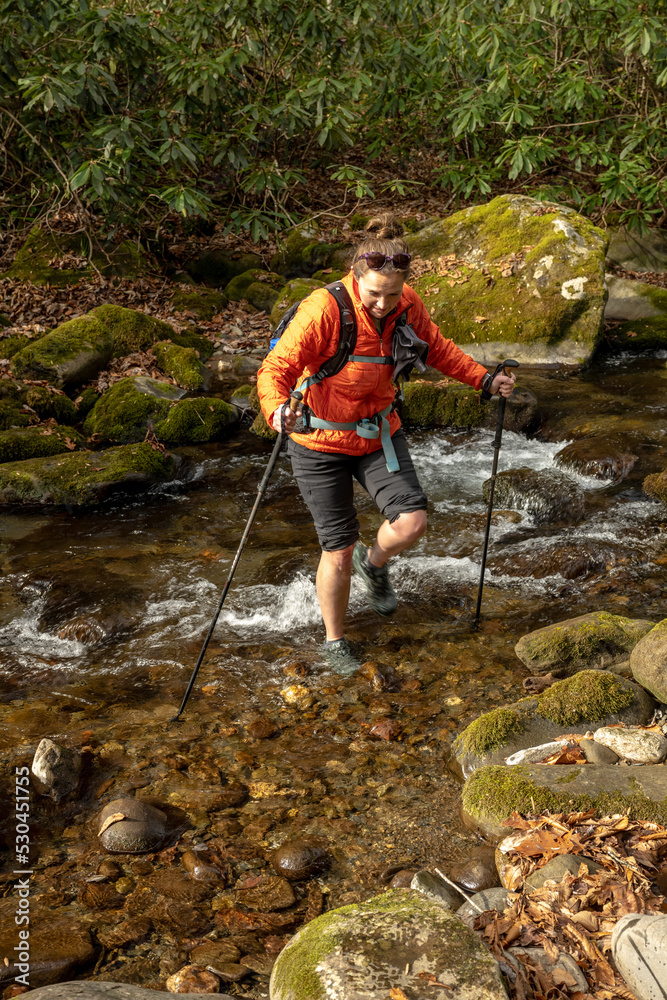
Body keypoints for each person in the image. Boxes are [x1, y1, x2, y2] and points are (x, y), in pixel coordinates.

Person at [257, 214, 515, 673]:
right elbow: (275, 369)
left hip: (378, 435)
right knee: (336, 548)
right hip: (317, 441)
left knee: (412, 522)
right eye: (374, 293)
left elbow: (436, 348)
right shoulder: (324, 310)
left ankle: (373, 564)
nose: (382, 303)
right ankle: (335, 640)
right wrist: (278, 409)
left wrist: (484, 379)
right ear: (357, 276)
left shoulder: (407, 305)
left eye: (391, 294)